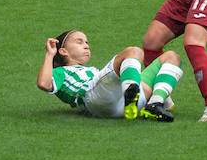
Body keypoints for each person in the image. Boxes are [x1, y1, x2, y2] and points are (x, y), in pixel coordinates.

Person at [37, 30, 183, 122]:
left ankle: (155, 104)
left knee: (172, 57)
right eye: (79, 42)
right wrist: (50, 54)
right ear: (63, 51)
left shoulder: (92, 70)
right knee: (134, 52)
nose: (86, 45)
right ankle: (132, 95)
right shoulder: (61, 71)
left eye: (87, 42)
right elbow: (44, 84)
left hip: (116, 102)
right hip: (92, 97)